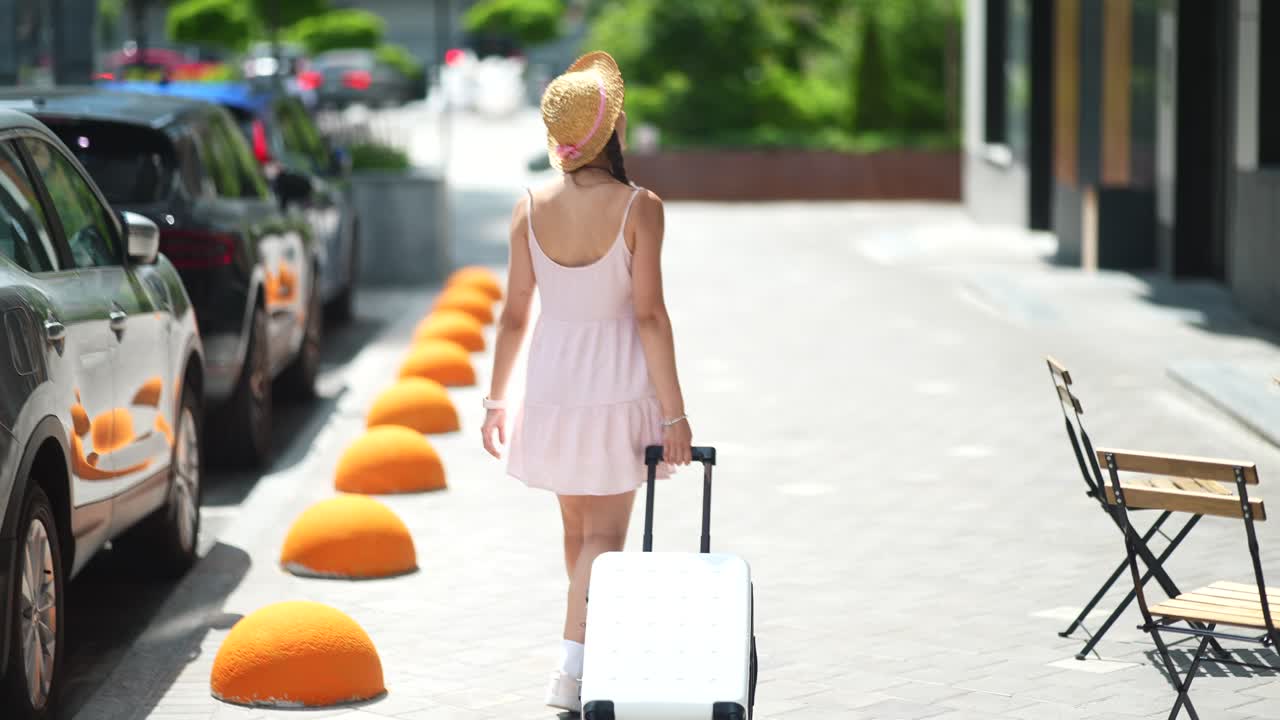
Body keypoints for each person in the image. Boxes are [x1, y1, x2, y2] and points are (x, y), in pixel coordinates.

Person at [479, 51, 693, 713]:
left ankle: (588, 656)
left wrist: (495, 400)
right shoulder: (640, 207)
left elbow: (514, 315)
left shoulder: (528, 206)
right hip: (615, 388)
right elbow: (650, 316)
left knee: (577, 533)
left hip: (550, 387)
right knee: (605, 538)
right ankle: (570, 673)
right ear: (613, 130)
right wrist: (675, 415)